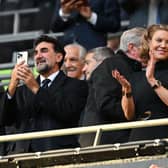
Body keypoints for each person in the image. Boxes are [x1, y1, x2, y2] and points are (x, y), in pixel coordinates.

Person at [0, 35, 88, 154]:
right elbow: (4, 120)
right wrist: (11, 86)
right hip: (23, 156)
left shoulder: (76, 85)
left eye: (44, 51)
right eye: (36, 53)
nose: (38, 56)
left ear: (58, 57)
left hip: (58, 154)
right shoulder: (22, 90)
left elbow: (66, 112)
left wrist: (36, 88)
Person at [80, 27, 146, 147]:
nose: (149, 49)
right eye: (146, 45)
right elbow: (106, 103)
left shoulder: (130, 67)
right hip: (104, 142)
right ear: (132, 48)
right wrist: (135, 113)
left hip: (112, 139)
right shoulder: (111, 65)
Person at [112, 24, 168, 141]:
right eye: (159, 40)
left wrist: (152, 80)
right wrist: (127, 90)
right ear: (148, 42)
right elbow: (129, 115)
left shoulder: (153, 76)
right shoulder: (136, 75)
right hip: (139, 139)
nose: (163, 45)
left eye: (167, 42)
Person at [79, 46, 114, 147]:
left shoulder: (107, 88)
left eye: (87, 63)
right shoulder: (88, 88)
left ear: (103, 62)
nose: (84, 69)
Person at [50, 0, 120, 50]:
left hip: (93, 50)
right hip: (67, 49)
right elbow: (54, 28)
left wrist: (91, 16)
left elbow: (114, 24)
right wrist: (64, 13)